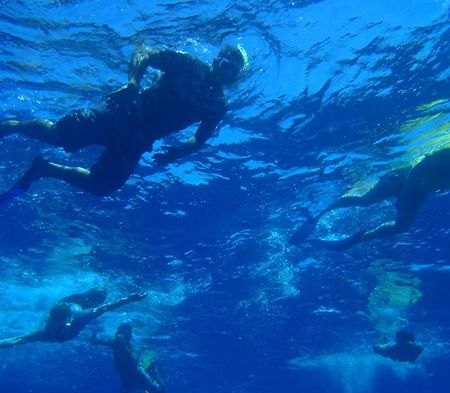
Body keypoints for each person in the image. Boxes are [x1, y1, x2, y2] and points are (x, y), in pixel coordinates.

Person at [0, 44, 248, 200]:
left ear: (236, 77)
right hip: (122, 113)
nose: (225, 73)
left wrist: (179, 152)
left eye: (232, 72)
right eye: (225, 65)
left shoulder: (217, 106)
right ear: (217, 60)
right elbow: (144, 52)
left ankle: (45, 169)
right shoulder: (189, 64)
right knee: (59, 135)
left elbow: (200, 138)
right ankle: (14, 125)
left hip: (138, 140)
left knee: (102, 185)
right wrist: (133, 83)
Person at [290, 146, 450, 250]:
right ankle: (319, 215)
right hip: (403, 177)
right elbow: (423, 163)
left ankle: (357, 239)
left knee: (402, 227)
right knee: (364, 200)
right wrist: (407, 192)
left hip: (419, 190)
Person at [0, 290, 147, 348]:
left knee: (100, 295)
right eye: (52, 323)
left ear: (67, 320)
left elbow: (105, 307)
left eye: (59, 324)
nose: (55, 327)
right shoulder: (45, 332)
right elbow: (18, 340)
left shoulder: (79, 318)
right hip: (63, 303)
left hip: (80, 302)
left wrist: (130, 299)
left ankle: (102, 282)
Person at [90, 322, 165, 393]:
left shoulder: (135, 349)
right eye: (120, 333)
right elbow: (95, 341)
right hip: (126, 379)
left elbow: (133, 363)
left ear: (129, 337)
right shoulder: (113, 342)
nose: (121, 336)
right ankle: (147, 368)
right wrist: (93, 336)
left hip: (139, 378)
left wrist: (123, 347)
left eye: (124, 334)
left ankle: (153, 369)